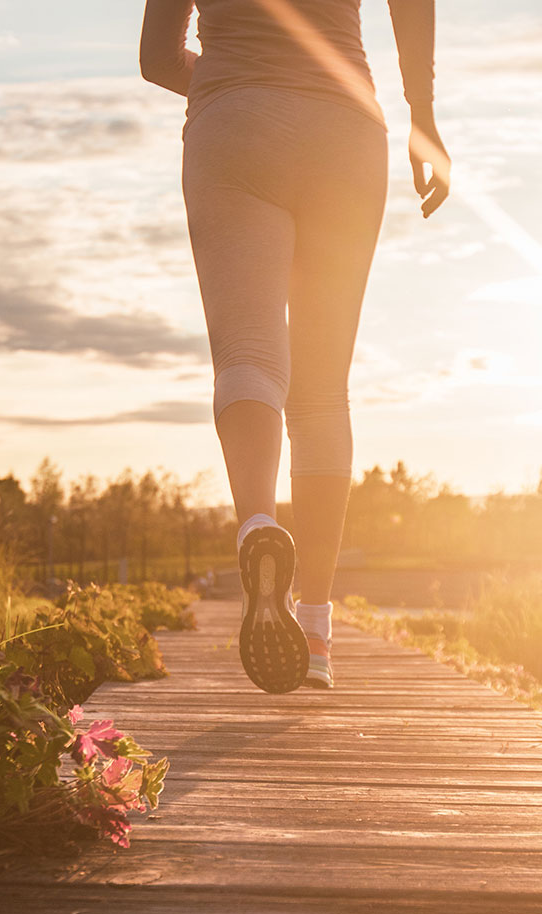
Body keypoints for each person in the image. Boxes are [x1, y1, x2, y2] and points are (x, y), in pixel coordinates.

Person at [140, 0, 448, 692]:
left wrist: (231, 83)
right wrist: (422, 116)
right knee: (322, 392)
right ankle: (314, 631)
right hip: (345, 128)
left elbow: (157, 56)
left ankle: (256, 526)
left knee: (248, 357)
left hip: (234, 124)